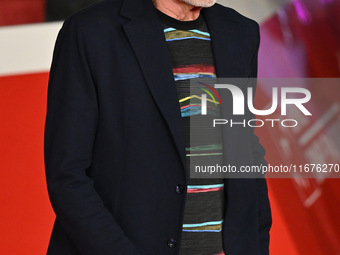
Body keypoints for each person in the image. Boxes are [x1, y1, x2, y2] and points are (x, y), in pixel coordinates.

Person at [44, 0, 272, 254]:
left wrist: (257, 243)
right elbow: (67, 175)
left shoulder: (241, 31)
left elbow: (245, 151)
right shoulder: (91, 31)